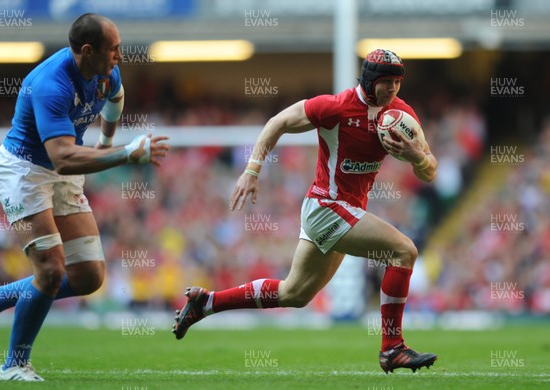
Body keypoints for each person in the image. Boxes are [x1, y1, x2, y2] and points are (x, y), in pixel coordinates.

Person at [173, 49, 438, 374]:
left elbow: (430, 171)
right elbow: (278, 122)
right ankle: (392, 348)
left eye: (398, 81)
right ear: (369, 79)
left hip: (343, 210)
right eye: (386, 82)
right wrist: (252, 171)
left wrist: (418, 157)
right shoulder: (336, 107)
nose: (393, 89)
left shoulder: (400, 113)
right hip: (326, 207)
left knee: (294, 293)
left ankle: (207, 303)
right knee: (403, 251)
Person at [0, 13, 169, 381]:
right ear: (88, 51)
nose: (120, 56)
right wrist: (125, 153)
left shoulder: (106, 71)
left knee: (89, 276)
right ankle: (14, 364)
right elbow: (62, 158)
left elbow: (116, 98)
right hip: (25, 172)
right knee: (49, 271)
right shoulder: (50, 84)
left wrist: (105, 143)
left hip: (63, 171)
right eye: (114, 49)